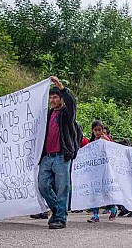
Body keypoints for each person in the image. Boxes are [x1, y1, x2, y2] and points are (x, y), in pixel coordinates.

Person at [37, 76, 77, 229]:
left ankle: (60, 218)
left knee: (62, 188)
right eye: (51, 97)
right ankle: (57, 210)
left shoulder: (67, 114)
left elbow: (72, 103)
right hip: (47, 157)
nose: (52, 100)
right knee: (43, 186)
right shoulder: (47, 115)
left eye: (55, 97)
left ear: (61, 99)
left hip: (61, 156)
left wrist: (60, 86)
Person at [87, 120, 117, 223]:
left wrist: (106, 140)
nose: (97, 132)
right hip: (95, 170)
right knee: (95, 192)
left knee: (106, 191)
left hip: (105, 170)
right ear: (92, 131)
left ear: (103, 130)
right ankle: (95, 215)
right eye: (95, 130)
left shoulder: (106, 139)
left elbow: (113, 150)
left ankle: (113, 208)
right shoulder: (91, 142)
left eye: (99, 130)